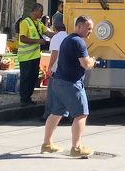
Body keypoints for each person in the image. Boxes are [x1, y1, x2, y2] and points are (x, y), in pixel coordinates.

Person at [41, 15, 97, 157]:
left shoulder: (67, 40)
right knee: (81, 114)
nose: (90, 31)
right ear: (78, 26)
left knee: (56, 112)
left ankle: (47, 144)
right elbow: (85, 64)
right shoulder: (79, 42)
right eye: (88, 28)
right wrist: (93, 62)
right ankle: (76, 148)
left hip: (59, 82)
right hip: (71, 83)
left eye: (91, 28)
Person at [18, 3, 53, 105]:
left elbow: (48, 33)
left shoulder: (38, 23)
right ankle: (23, 99)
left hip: (35, 56)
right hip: (25, 57)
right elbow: (22, 38)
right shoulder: (25, 22)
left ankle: (28, 98)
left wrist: (60, 36)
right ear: (35, 10)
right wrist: (38, 41)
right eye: (41, 11)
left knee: (33, 78)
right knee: (26, 78)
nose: (42, 14)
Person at [43, 23, 68, 120]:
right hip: (66, 69)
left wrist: (49, 67)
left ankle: (48, 115)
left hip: (56, 69)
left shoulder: (56, 38)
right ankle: (64, 115)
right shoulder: (69, 36)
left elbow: (54, 53)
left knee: (52, 93)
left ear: (55, 29)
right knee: (65, 93)